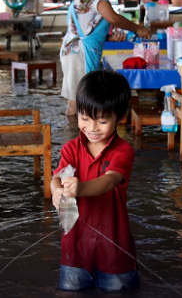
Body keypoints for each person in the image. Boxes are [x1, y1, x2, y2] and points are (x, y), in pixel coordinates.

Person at [51, 70, 139, 292]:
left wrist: (80, 188)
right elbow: (57, 178)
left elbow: (109, 181)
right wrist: (56, 192)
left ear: (119, 117)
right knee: (70, 291)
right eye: (84, 118)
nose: (92, 128)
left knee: (118, 292)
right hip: (75, 245)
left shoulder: (123, 151)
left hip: (113, 245)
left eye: (101, 121)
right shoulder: (71, 148)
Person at [60, 0, 151, 116]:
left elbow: (87, 27)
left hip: (77, 51)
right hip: (79, 53)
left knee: (80, 100)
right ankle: (74, 137)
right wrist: (138, 28)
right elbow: (113, 18)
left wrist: (109, 38)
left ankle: (78, 135)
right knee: (78, 102)